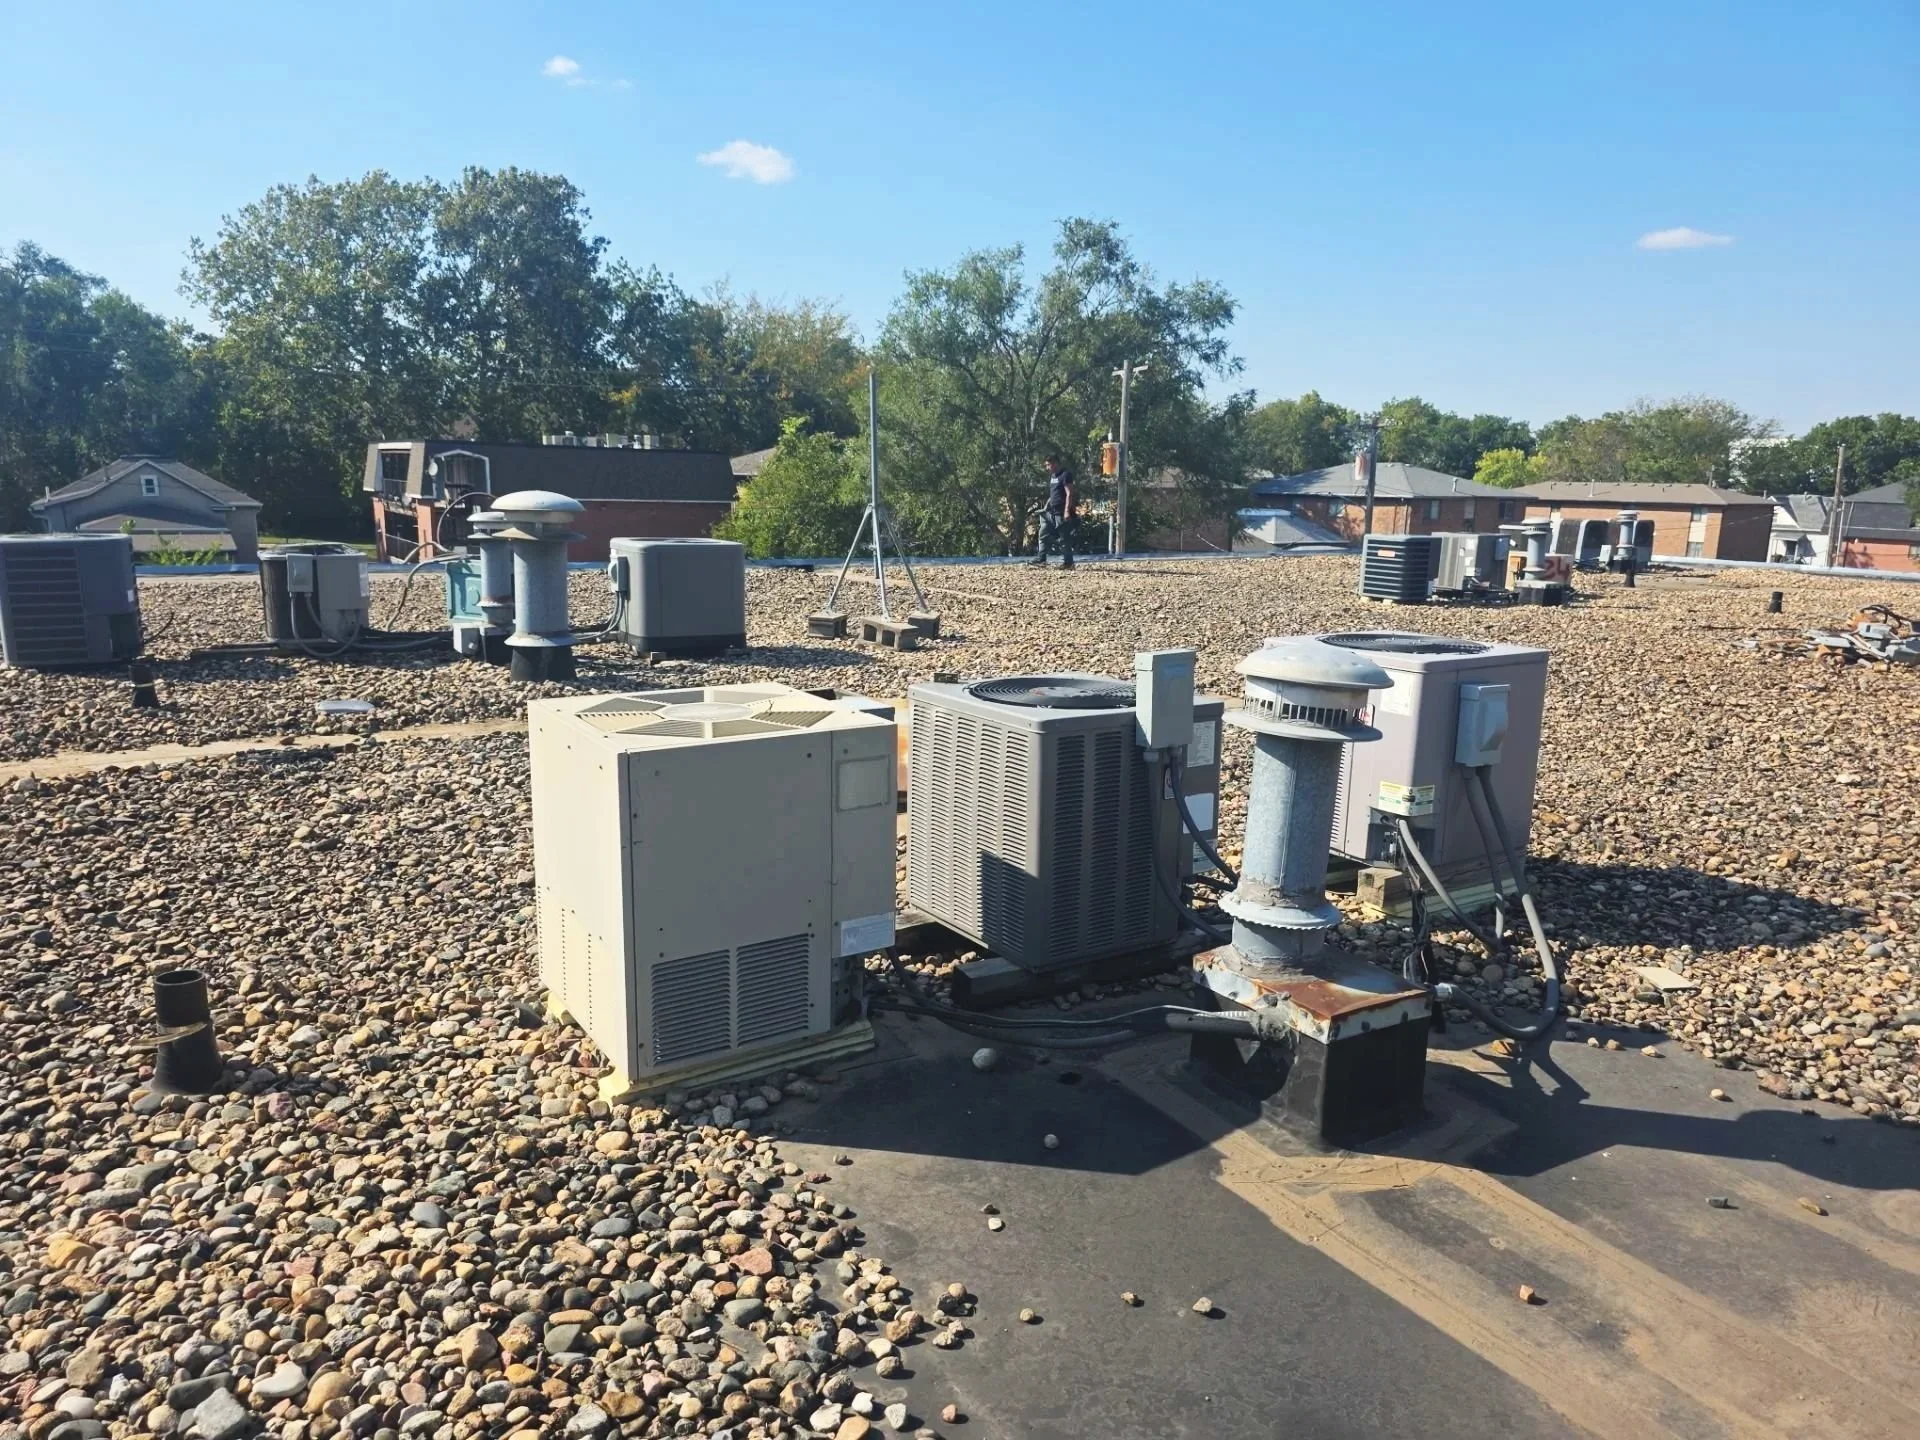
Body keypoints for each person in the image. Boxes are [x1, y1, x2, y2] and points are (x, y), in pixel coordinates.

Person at [1033, 454, 1076, 568]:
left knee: (1063, 539)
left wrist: (1067, 511)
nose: (1047, 468)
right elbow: (1054, 494)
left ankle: (1068, 563)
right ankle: (1041, 558)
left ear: (1055, 463)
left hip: (1061, 513)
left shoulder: (1065, 475)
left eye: (1048, 465)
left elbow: (1069, 493)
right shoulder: (1053, 476)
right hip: (1051, 512)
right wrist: (1046, 506)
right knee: (1043, 534)